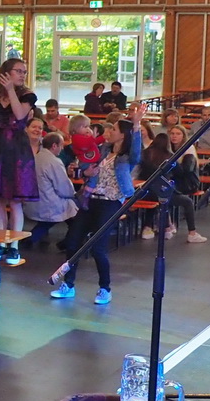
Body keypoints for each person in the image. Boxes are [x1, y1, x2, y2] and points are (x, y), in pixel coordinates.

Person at [50, 104, 144, 305]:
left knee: (98, 248)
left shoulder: (125, 157)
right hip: (90, 199)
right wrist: (85, 172)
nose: (108, 132)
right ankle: (68, 284)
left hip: (110, 203)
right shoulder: (103, 150)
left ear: (122, 136)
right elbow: (85, 163)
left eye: (114, 130)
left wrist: (136, 126)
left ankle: (105, 288)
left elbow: (137, 153)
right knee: (73, 242)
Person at [0, 59, 38, 264]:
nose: (22, 74)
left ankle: (14, 244)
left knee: (14, 199)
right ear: (7, 72)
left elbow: (20, 115)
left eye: (24, 71)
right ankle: (1, 241)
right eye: (18, 71)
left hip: (17, 147)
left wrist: (11, 90)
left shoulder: (28, 94)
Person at [138, 125, 209, 243]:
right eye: (172, 134)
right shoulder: (170, 157)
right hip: (164, 189)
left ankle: (151, 227)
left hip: (147, 190)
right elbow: (180, 172)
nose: (174, 137)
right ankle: (190, 232)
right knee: (184, 201)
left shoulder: (144, 154)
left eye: (178, 134)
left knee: (158, 198)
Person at [25, 132, 79, 250]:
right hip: (48, 202)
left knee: (68, 215)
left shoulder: (36, 157)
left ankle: (31, 239)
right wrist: (73, 194)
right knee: (77, 212)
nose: (62, 149)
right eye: (61, 146)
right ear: (54, 146)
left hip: (34, 201)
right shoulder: (54, 161)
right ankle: (69, 242)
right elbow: (63, 188)